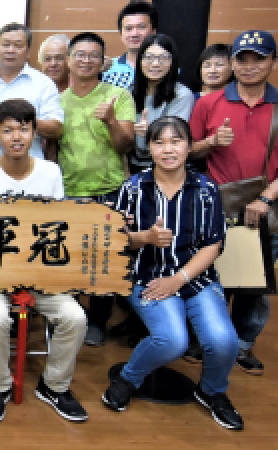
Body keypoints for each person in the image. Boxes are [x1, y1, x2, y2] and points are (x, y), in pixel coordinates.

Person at [102, 116, 244, 431]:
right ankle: (129, 378)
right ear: (148, 148)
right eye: (159, 142)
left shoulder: (206, 189)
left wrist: (178, 279)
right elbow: (116, 240)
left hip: (196, 279)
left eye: (176, 141)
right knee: (172, 341)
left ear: (189, 146)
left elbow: (213, 244)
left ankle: (212, 391)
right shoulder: (133, 188)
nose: (168, 149)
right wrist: (145, 238)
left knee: (224, 341)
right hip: (147, 277)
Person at [0, 98, 87, 423]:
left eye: (24, 129)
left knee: (74, 316)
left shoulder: (50, 171)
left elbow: (60, 227)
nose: (16, 137)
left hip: (39, 272)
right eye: (8, 130)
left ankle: (54, 386)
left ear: (35, 134)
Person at [189, 30, 278, 376]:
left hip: (264, 207)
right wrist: (211, 142)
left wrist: (266, 198)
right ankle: (206, 338)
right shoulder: (209, 103)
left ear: (272, 62)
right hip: (216, 205)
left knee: (254, 283)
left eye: (259, 59)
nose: (250, 66)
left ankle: (242, 343)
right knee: (209, 275)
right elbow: (187, 150)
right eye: (243, 59)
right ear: (232, 63)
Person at [57, 32, 135, 346]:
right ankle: (71, 319)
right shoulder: (58, 100)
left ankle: (98, 322)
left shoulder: (118, 96)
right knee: (70, 259)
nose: (86, 60)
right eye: (80, 54)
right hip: (69, 190)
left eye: (93, 56)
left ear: (103, 62)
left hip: (109, 190)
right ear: (68, 60)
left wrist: (112, 121)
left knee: (104, 262)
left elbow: (126, 145)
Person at [0, 23, 63, 160]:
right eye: (5, 45)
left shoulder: (43, 83)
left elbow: (56, 129)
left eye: (18, 45)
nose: (10, 50)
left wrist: (22, 119)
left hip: (31, 166)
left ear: (28, 51)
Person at [128, 34, 195, 173]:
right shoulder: (128, 92)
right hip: (132, 165)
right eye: (149, 57)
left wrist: (151, 133)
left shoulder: (182, 94)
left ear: (172, 62)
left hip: (166, 166)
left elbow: (174, 137)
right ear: (140, 60)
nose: (155, 63)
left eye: (163, 58)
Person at [102, 0, 158, 89]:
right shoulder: (106, 69)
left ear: (153, 32)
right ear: (121, 34)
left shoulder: (166, 68)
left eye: (141, 27)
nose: (134, 34)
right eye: (128, 28)